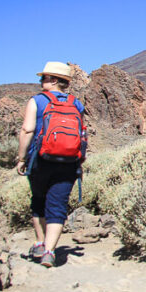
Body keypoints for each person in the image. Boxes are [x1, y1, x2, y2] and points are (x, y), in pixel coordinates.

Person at [15, 61, 86, 267]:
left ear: (54, 80)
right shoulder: (77, 104)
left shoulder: (37, 101)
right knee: (58, 205)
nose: (41, 81)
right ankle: (49, 251)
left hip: (40, 160)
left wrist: (21, 158)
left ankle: (39, 242)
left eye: (44, 78)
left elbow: (27, 130)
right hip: (69, 162)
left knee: (38, 200)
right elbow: (82, 134)